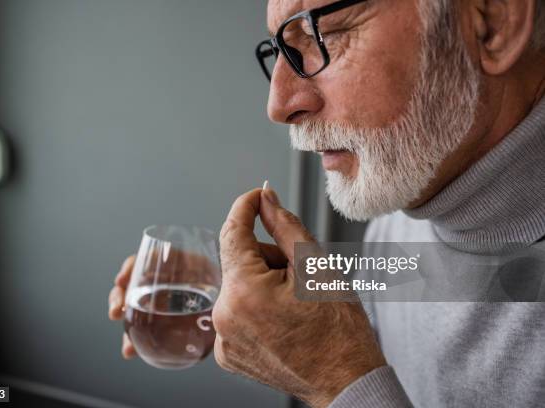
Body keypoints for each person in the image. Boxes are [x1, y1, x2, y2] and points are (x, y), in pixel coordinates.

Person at [109, 0, 545, 406]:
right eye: (280, 48)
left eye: (323, 34)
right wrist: (222, 286)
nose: (278, 105)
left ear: (493, 22)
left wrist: (337, 379)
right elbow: (427, 274)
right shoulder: (418, 202)